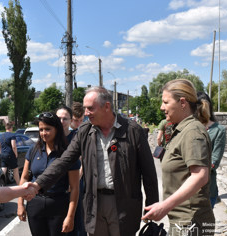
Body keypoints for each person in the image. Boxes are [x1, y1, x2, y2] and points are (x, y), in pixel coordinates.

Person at [32, 86, 159, 236]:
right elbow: (64, 161)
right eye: (85, 108)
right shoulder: (85, 131)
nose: (86, 113)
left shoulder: (132, 130)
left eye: (90, 108)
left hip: (123, 205)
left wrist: (152, 206)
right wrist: (38, 184)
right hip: (94, 204)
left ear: (107, 106)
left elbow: (149, 172)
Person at [142, 79, 215, 236]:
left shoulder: (192, 132)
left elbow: (200, 176)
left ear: (182, 102)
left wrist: (165, 205)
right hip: (184, 222)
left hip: (191, 223)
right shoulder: (182, 129)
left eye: (166, 102)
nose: (162, 107)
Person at [17, 112, 80, 235]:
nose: (43, 133)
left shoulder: (68, 154)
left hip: (58, 206)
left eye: (47, 129)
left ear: (57, 129)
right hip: (35, 205)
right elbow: (24, 178)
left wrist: (70, 216)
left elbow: (75, 188)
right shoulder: (33, 150)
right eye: (41, 129)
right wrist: (20, 204)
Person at [56, 106, 86, 236]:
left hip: (74, 182)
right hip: (58, 185)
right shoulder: (53, 137)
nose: (62, 121)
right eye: (59, 119)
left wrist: (76, 179)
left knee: (77, 219)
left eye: (65, 119)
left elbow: (83, 160)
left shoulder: (77, 136)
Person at [196, 91, 226, 208]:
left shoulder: (218, 130)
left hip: (207, 189)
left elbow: (214, 161)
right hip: (184, 190)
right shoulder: (189, 128)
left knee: (205, 226)